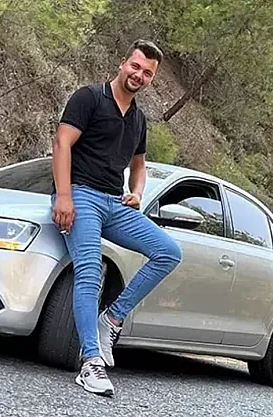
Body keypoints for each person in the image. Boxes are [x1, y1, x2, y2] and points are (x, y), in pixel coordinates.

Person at [50, 39, 183, 397]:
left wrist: (137, 193)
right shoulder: (90, 98)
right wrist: (64, 196)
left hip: (113, 203)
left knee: (169, 252)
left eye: (147, 73)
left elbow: (139, 167)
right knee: (90, 272)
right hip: (80, 194)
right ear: (123, 63)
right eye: (135, 66)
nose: (139, 75)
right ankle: (90, 361)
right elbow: (62, 143)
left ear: (152, 79)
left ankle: (110, 319)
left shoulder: (138, 120)